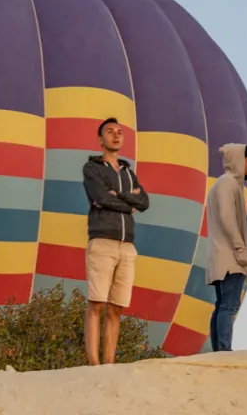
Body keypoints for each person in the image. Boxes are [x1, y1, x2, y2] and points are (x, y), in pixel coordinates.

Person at [81, 117, 149, 365]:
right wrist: (128, 202)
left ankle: (109, 363)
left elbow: (144, 202)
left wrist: (119, 196)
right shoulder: (93, 169)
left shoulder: (129, 173)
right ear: (100, 139)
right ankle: (94, 363)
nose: (116, 135)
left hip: (127, 245)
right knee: (96, 303)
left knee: (117, 307)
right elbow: (100, 197)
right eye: (109, 132)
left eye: (120, 132)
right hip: (102, 241)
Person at [205, 143, 247, 351]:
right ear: (237, 160)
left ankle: (219, 348)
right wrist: (241, 249)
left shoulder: (224, 184)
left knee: (222, 305)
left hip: (220, 254)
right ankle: (224, 350)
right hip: (230, 257)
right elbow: (228, 218)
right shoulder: (228, 183)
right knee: (228, 305)